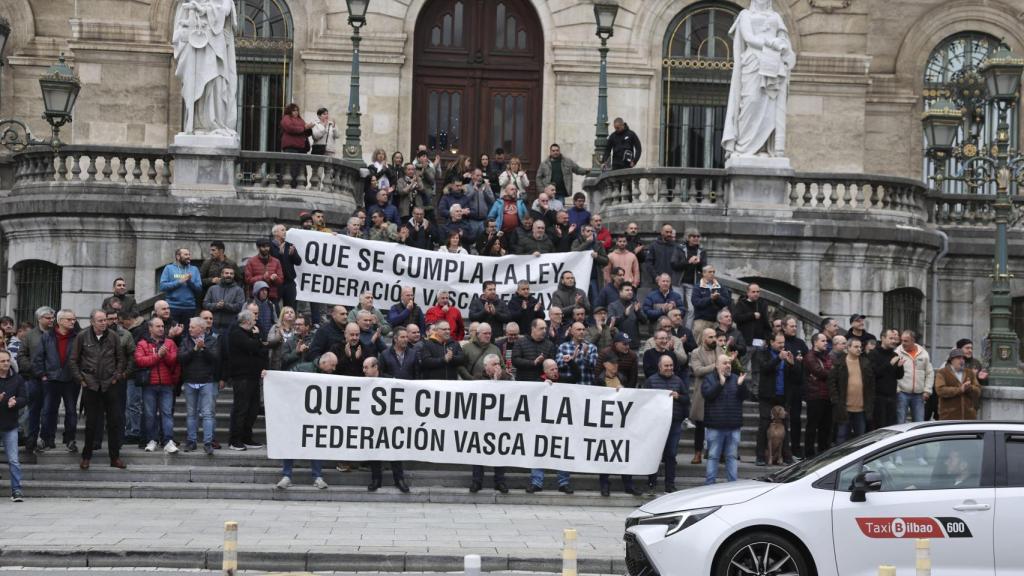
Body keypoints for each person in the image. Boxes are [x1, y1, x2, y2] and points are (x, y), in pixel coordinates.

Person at [721, 0, 795, 159]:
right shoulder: (745, 15)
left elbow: (785, 40)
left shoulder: (776, 16)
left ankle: (763, 149)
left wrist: (782, 45)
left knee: (769, 107)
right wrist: (771, 42)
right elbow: (749, 38)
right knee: (751, 102)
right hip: (753, 63)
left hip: (772, 64)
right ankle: (743, 148)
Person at [69, 309, 127, 470]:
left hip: (110, 384)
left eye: (105, 320)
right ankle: (86, 457)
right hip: (91, 384)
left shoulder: (113, 336)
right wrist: (81, 379)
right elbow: (73, 360)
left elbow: (120, 359)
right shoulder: (82, 336)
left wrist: (116, 376)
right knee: (91, 423)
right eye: (100, 320)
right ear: (92, 321)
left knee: (114, 422)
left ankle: (115, 457)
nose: (104, 323)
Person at [172, 0, 237, 136]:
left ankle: (214, 122)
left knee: (215, 85)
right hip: (196, 44)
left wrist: (203, 9)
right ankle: (196, 125)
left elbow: (225, 10)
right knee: (195, 84)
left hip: (214, 45)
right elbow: (180, 21)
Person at [278, 352, 336, 491]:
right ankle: (287, 475)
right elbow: (284, 379)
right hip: (296, 414)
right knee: (291, 442)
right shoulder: (302, 368)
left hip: (314, 416)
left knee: (315, 444)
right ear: (324, 363)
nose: (334, 369)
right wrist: (268, 376)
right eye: (332, 365)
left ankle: (317, 476)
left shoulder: (328, 375)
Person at [32, 309, 80, 453]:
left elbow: (83, 357)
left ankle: (70, 440)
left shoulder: (78, 337)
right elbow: (38, 358)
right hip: (51, 380)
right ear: (60, 321)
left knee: (71, 411)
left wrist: (79, 376)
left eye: (73, 319)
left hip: (71, 380)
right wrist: (42, 375)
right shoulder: (47, 336)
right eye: (69, 319)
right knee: (48, 411)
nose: (73, 322)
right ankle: (47, 440)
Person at [134, 317, 180, 454]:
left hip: (166, 384)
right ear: (150, 328)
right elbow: (140, 361)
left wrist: (163, 355)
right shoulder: (142, 343)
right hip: (149, 384)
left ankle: (168, 441)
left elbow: (174, 360)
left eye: (162, 326)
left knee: (166, 413)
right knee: (149, 414)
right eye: (157, 326)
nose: (161, 329)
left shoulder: (170, 342)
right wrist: (158, 356)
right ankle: (151, 440)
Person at [364, 357, 411, 493]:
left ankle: (399, 479)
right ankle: (376, 480)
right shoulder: (361, 383)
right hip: (373, 423)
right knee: (374, 452)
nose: (364, 371)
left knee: (394, 452)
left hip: (390, 422)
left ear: (375, 367)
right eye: (364, 368)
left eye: (367, 368)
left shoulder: (390, 381)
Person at [528, 359, 573, 494]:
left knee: (562, 452)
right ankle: (536, 482)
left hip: (561, 423)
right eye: (552, 370)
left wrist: (572, 363)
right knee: (538, 451)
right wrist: (541, 386)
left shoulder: (563, 381)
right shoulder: (537, 381)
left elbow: (576, 377)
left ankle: (563, 483)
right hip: (541, 424)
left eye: (556, 369)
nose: (555, 372)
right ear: (545, 371)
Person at [702, 354, 749, 484]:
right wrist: (720, 384)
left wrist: (741, 385)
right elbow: (707, 395)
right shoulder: (709, 379)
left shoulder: (736, 378)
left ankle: (732, 485)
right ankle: (709, 485)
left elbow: (744, 396)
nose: (728, 365)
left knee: (732, 457)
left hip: (733, 427)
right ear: (717, 365)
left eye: (729, 363)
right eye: (724, 363)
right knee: (713, 457)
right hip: (715, 426)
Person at [644, 355, 688, 493]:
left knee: (671, 454)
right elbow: (644, 401)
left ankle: (670, 484)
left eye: (671, 365)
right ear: (659, 366)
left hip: (674, 423)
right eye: (666, 366)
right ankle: (652, 481)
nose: (669, 368)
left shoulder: (679, 381)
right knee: (655, 453)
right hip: (655, 424)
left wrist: (679, 397)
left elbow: (687, 399)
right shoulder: (650, 381)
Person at [226, 310, 267, 451]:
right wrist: (256, 337)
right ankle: (235, 440)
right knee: (241, 409)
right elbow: (252, 346)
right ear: (248, 321)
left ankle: (246, 437)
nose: (256, 322)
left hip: (254, 376)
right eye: (254, 320)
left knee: (253, 408)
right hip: (241, 377)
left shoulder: (251, 334)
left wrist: (257, 340)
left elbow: (261, 350)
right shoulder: (236, 333)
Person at [178, 317, 219, 455]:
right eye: (190, 327)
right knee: (191, 414)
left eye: (192, 327)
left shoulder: (211, 340)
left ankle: (208, 443)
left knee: (207, 414)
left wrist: (204, 349)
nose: (189, 329)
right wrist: (194, 350)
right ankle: (192, 441)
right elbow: (181, 359)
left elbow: (215, 359)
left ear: (201, 328)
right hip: (190, 381)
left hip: (206, 380)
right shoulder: (185, 340)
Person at [17, 306, 53, 454]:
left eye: (52, 317)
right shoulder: (30, 336)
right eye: (48, 318)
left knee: (49, 411)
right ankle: (31, 440)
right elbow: (21, 355)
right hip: (34, 379)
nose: (51, 320)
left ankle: (46, 440)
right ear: (39, 319)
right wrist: (33, 369)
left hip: (51, 380)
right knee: (33, 411)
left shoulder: (56, 334)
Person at [755, 333, 795, 465]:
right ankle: (760, 456)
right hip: (767, 396)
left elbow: (797, 377)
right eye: (779, 343)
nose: (782, 345)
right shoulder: (763, 353)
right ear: (771, 342)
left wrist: (793, 364)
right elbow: (765, 368)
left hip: (783, 397)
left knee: (785, 427)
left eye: (783, 343)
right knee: (764, 425)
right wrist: (778, 358)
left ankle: (786, 456)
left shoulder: (787, 354)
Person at [829, 338, 874, 443]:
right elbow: (832, 383)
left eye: (860, 347)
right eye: (856, 347)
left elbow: (871, 384)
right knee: (842, 437)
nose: (859, 349)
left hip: (861, 409)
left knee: (861, 439)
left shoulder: (865, 362)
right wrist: (836, 400)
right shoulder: (839, 363)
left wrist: (870, 401)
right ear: (848, 348)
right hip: (844, 408)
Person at [0, 349, 27, 501]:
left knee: (14, 460)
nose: (6, 363)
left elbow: (25, 397)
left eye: (7, 360)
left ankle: (16, 490)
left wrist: (16, 402)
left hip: (10, 425)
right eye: (2, 361)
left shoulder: (17, 379)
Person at [802, 333, 832, 458]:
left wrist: (829, 372)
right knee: (812, 426)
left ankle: (823, 453)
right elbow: (821, 372)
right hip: (815, 396)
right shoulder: (810, 357)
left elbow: (830, 371)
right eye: (823, 340)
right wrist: (829, 372)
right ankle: (809, 454)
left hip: (827, 395)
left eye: (826, 340)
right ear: (815, 342)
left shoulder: (826, 356)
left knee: (825, 427)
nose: (826, 342)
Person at [894, 330, 934, 424]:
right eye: (902, 340)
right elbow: (893, 373)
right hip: (902, 393)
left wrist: (927, 390)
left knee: (919, 423)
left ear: (913, 340)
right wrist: (897, 390)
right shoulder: (897, 353)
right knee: (900, 422)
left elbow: (929, 373)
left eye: (906, 341)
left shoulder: (923, 353)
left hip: (919, 394)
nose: (903, 343)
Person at [869, 329, 904, 429]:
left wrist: (900, 366)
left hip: (892, 396)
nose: (894, 341)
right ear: (883, 338)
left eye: (895, 339)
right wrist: (890, 364)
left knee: (891, 426)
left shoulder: (895, 355)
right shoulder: (874, 354)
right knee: (879, 426)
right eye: (891, 338)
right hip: (878, 397)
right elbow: (875, 373)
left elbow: (899, 376)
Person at [671, 228, 707, 329]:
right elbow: (674, 264)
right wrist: (688, 262)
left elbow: (704, 268)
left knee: (691, 309)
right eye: (693, 236)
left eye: (697, 236)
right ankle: (677, 329)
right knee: (679, 308)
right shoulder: (679, 248)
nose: (696, 238)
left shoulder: (701, 251)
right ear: (688, 238)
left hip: (693, 283)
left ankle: (687, 331)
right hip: (678, 282)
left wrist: (699, 263)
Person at [159, 248, 203, 327]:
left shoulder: (194, 269)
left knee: (187, 334)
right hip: (172, 307)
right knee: (172, 333)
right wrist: (179, 282)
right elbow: (162, 286)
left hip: (189, 307)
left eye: (189, 254)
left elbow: (199, 289)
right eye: (185, 255)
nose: (188, 256)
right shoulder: (169, 268)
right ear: (178, 257)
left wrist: (190, 282)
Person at [935, 349, 981, 420]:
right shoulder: (942, 373)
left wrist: (970, 388)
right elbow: (940, 390)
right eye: (958, 358)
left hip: (969, 416)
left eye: (963, 358)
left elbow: (978, 390)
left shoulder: (970, 373)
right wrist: (960, 389)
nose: (962, 360)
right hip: (949, 416)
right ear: (951, 360)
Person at [203, 266, 245, 336]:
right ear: (221, 274)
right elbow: (205, 304)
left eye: (231, 274)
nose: (229, 275)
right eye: (226, 273)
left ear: (234, 275)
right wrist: (216, 305)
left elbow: (239, 306)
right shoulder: (212, 289)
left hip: (231, 327)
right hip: (214, 326)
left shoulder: (239, 290)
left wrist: (225, 305)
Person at [691, 265, 731, 338]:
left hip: (717, 322)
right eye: (710, 272)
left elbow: (727, 301)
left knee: (719, 343)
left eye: (713, 272)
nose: (712, 274)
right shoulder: (697, 287)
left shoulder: (720, 286)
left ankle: (726, 349)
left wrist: (718, 298)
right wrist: (710, 298)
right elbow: (696, 302)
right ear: (704, 273)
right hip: (702, 321)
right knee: (699, 344)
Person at [556, 322, 599, 387]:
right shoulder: (563, 347)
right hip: (568, 386)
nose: (582, 332)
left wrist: (585, 356)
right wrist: (571, 359)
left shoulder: (592, 347)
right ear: (572, 332)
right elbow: (559, 365)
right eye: (578, 329)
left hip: (586, 385)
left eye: (583, 329)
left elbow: (593, 366)